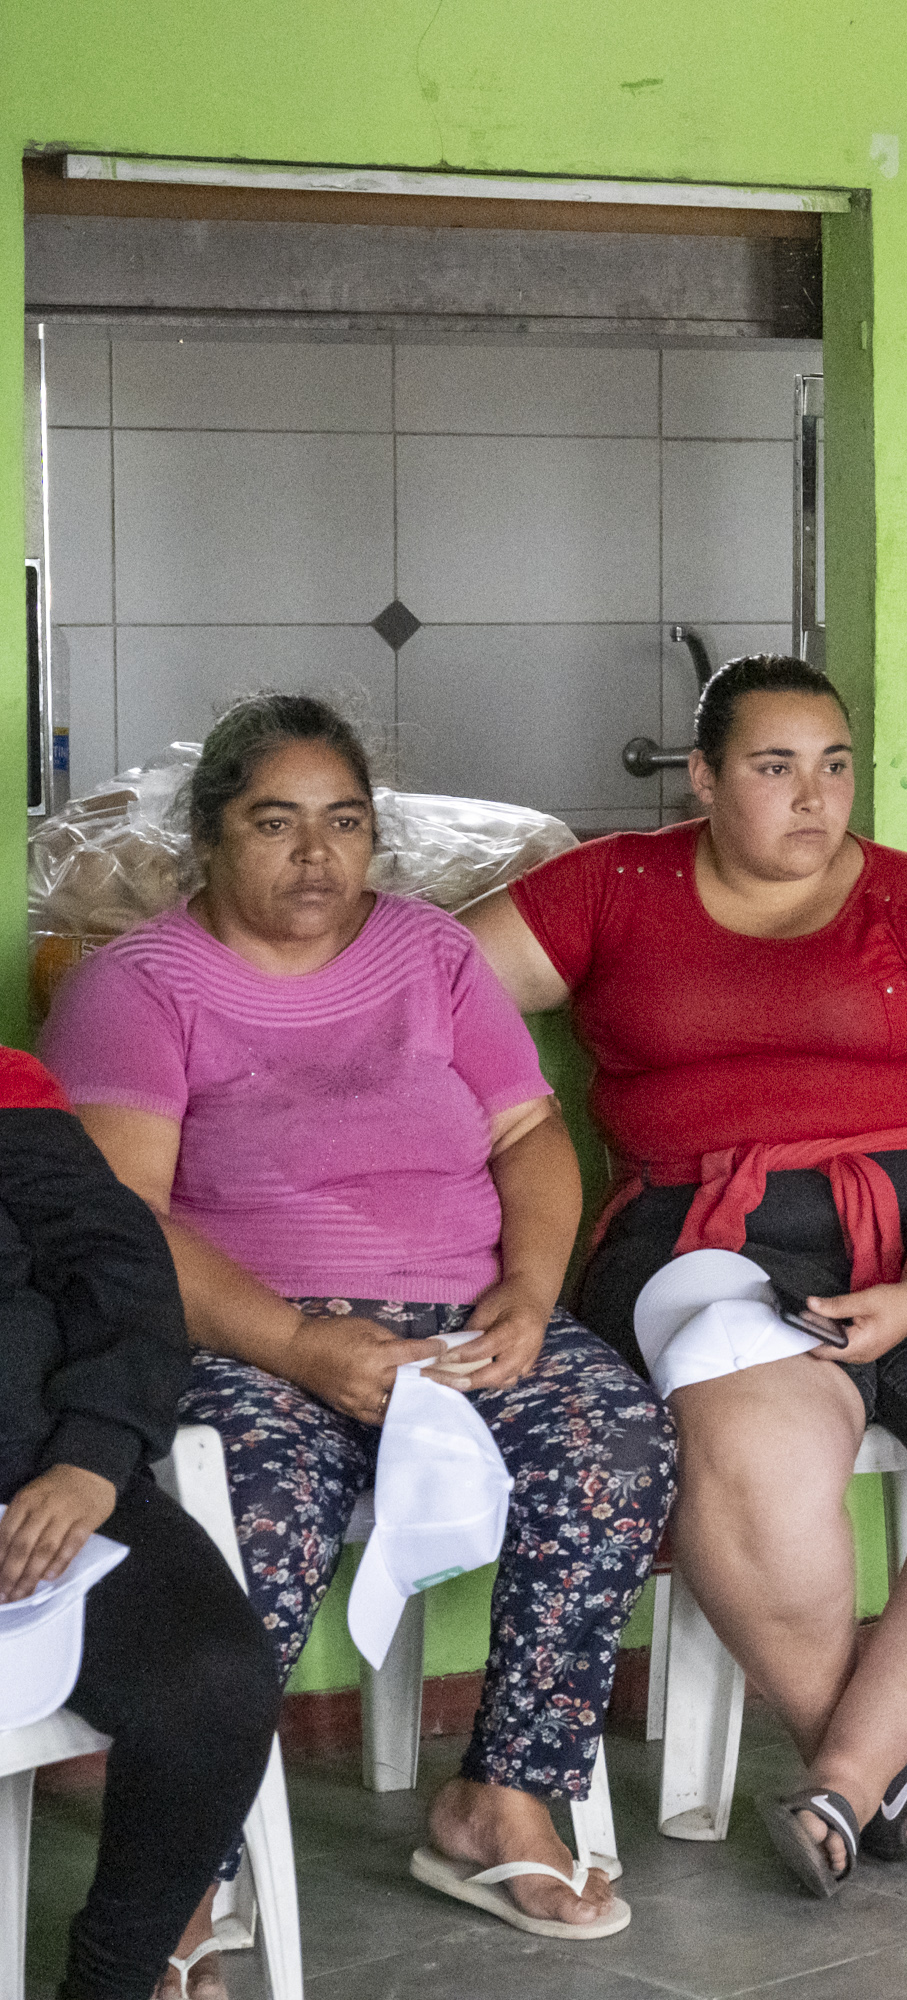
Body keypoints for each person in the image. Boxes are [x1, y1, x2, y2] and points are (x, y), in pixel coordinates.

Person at [461, 656, 907, 1897]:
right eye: (775, 767)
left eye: (834, 767)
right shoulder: (615, 886)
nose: (814, 798)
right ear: (706, 777)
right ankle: (876, 1776)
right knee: (758, 1446)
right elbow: (427, 992)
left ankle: (842, 1777)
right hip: (707, 1223)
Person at [43, 694, 674, 1962]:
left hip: (467, 1320)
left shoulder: (432, 954)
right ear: (207, 835)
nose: (317, 855)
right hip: (248, 1335)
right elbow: (117, 1224)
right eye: (276, 822)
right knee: (257, 1507)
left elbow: (527, 1135)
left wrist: (531, 1294)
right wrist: (292, 1340)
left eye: (343, 821)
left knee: (615, 1441)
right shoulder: (140, 984)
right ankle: (186, 1872)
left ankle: (502, 1794)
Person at [0, 1049, 278, 2000]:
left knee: (210, 1678)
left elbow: (115, 1265)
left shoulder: (6, 1092)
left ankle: (114, 1979)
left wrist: (91, 1458)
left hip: (36, 1481)